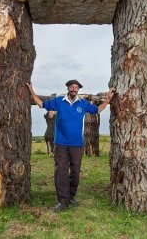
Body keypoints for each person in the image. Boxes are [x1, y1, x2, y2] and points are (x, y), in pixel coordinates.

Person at [26, 79, 114, 213]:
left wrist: (107, 100)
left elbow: (97, 110)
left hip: (77, 145)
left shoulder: (83, 104)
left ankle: (71, 196)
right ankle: (62, 200)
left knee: (75, 171)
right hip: (60, 143)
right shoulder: (59, 101)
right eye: (72, 87)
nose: (74, 89)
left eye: (76, 87)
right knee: (60, 171)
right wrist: (32, 92)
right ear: (68, 88)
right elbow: (42, 104)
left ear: (78, 89)